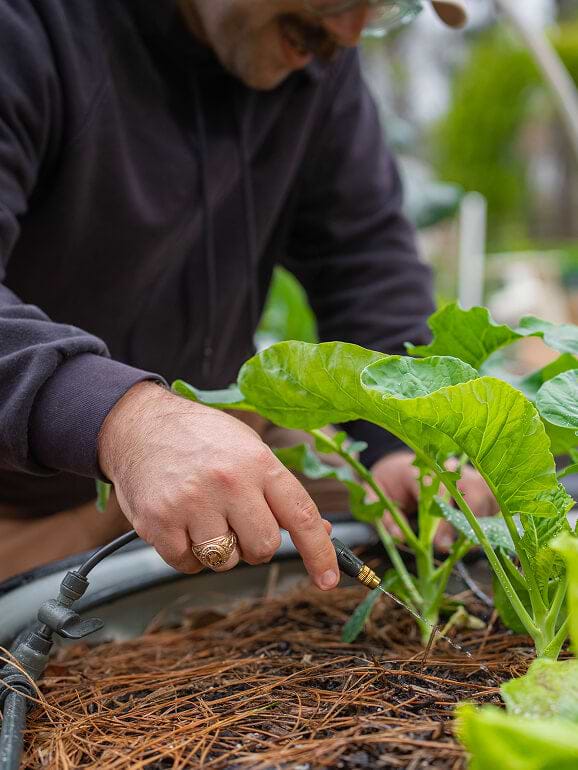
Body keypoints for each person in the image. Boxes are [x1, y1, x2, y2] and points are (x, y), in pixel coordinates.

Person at [0, 0, 495, 584]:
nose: (349, 32)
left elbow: (364, 260)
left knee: (418, 544)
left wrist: (400, 440)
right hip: (22, 493)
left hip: (223, 440)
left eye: (385, 5)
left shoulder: (313, 57)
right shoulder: (28, 26)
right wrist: (123, 421)